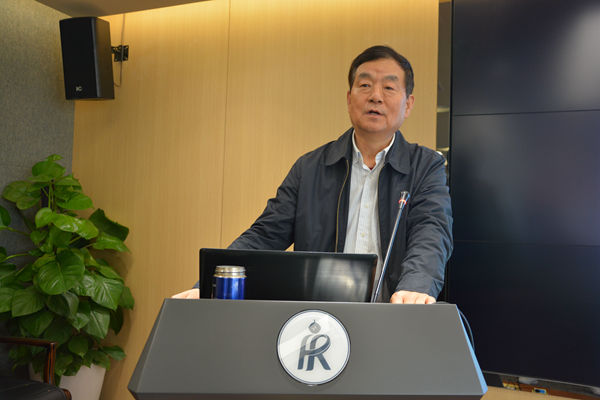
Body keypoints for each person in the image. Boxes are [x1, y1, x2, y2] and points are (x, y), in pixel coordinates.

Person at [173, 45, 452, 304]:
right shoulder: (310, 168)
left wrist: (416, 287)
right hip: (318, 316)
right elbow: (265, 235)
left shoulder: (426, 166)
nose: (375, 96)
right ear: (349, 98)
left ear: (408, 104)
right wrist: (210, 284)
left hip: (393, 311)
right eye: (365, 85)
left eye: (389, 87)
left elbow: (431, 232)